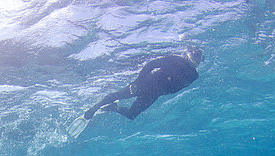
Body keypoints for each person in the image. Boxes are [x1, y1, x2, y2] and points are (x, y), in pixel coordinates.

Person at [67, 47, 204, 137]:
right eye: (195, 56)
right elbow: (151, 65)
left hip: (154, 94)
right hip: (146, 83)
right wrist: (138, 82)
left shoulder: (194, 76)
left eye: (199, 58)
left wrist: (160, 92)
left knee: (132, 115)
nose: (196, 60)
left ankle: (113, 107)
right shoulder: (175, 59)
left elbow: (175, 88)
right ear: (188, 53)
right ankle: (92, 109)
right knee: (118, 95)